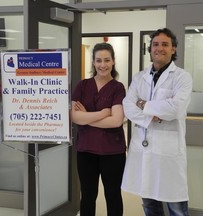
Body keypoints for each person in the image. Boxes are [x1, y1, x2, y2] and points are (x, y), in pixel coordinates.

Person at [121, 28, 192, 216]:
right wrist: (151, 113)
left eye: (165, 44)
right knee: (149, 204)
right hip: (143, 150)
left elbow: (175, 108)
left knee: (176, 207)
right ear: (150, 49)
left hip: (168, 152)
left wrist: (143, 104)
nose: (159, 48)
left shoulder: (182, 77)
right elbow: (128, 105)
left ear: (174, 49)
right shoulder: (139, 77)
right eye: (155, 44)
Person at [71, 42, 126, 216]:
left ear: (113, 62)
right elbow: (74, 117)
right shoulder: (82, 85)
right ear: (93, 63)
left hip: (112, 152)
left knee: (113, 195)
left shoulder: (118, 88)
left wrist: (87, 117)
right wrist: (102, 113)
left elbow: (116, 121)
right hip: (86, 150)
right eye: (99, 60)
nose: (103, 65)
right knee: (87, 196)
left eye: (107, 60)